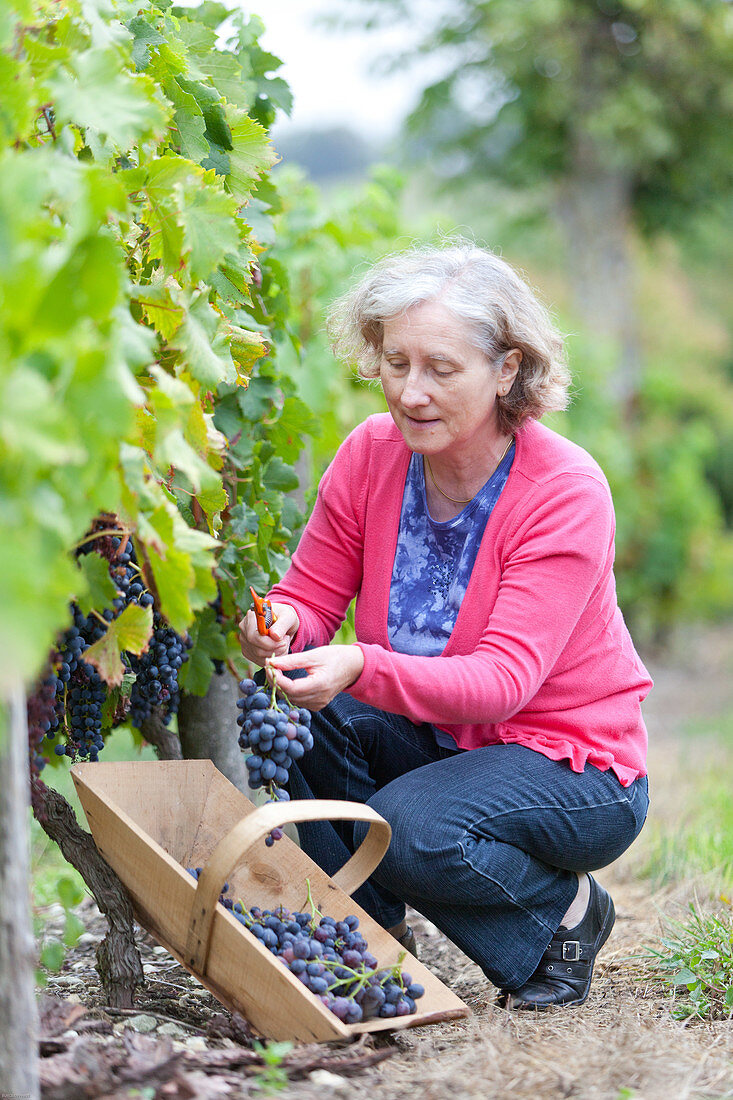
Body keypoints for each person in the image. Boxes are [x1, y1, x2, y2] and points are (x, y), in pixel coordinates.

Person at [239, 242, 652, 1010]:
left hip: (568, 765)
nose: (411, 392)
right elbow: (311, 596)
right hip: (436, 738)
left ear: (506, 370)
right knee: (295, 710)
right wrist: (279, 626)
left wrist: (360, 666)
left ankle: (561, 917)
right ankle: (358, 947)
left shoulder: (563, 489)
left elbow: (502, 683)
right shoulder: (371, 453)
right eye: (395, 363)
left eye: (440, 368)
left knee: (410, 828)